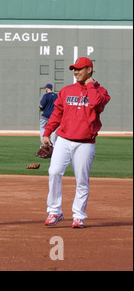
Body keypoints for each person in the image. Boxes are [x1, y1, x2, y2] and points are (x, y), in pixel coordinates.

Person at [42, 57, 111, 228]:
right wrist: (47, 133)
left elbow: (95, 103)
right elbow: (57, 113)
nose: (76, 72)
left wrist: (90, 85)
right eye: (74, 69)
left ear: (89, 70)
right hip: (63, 140)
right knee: (54, 171)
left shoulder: (101, 92)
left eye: (79, 69)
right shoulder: (66, 91)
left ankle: (78, 215)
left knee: (81, 179)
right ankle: (55, 211)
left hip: (85, 142)